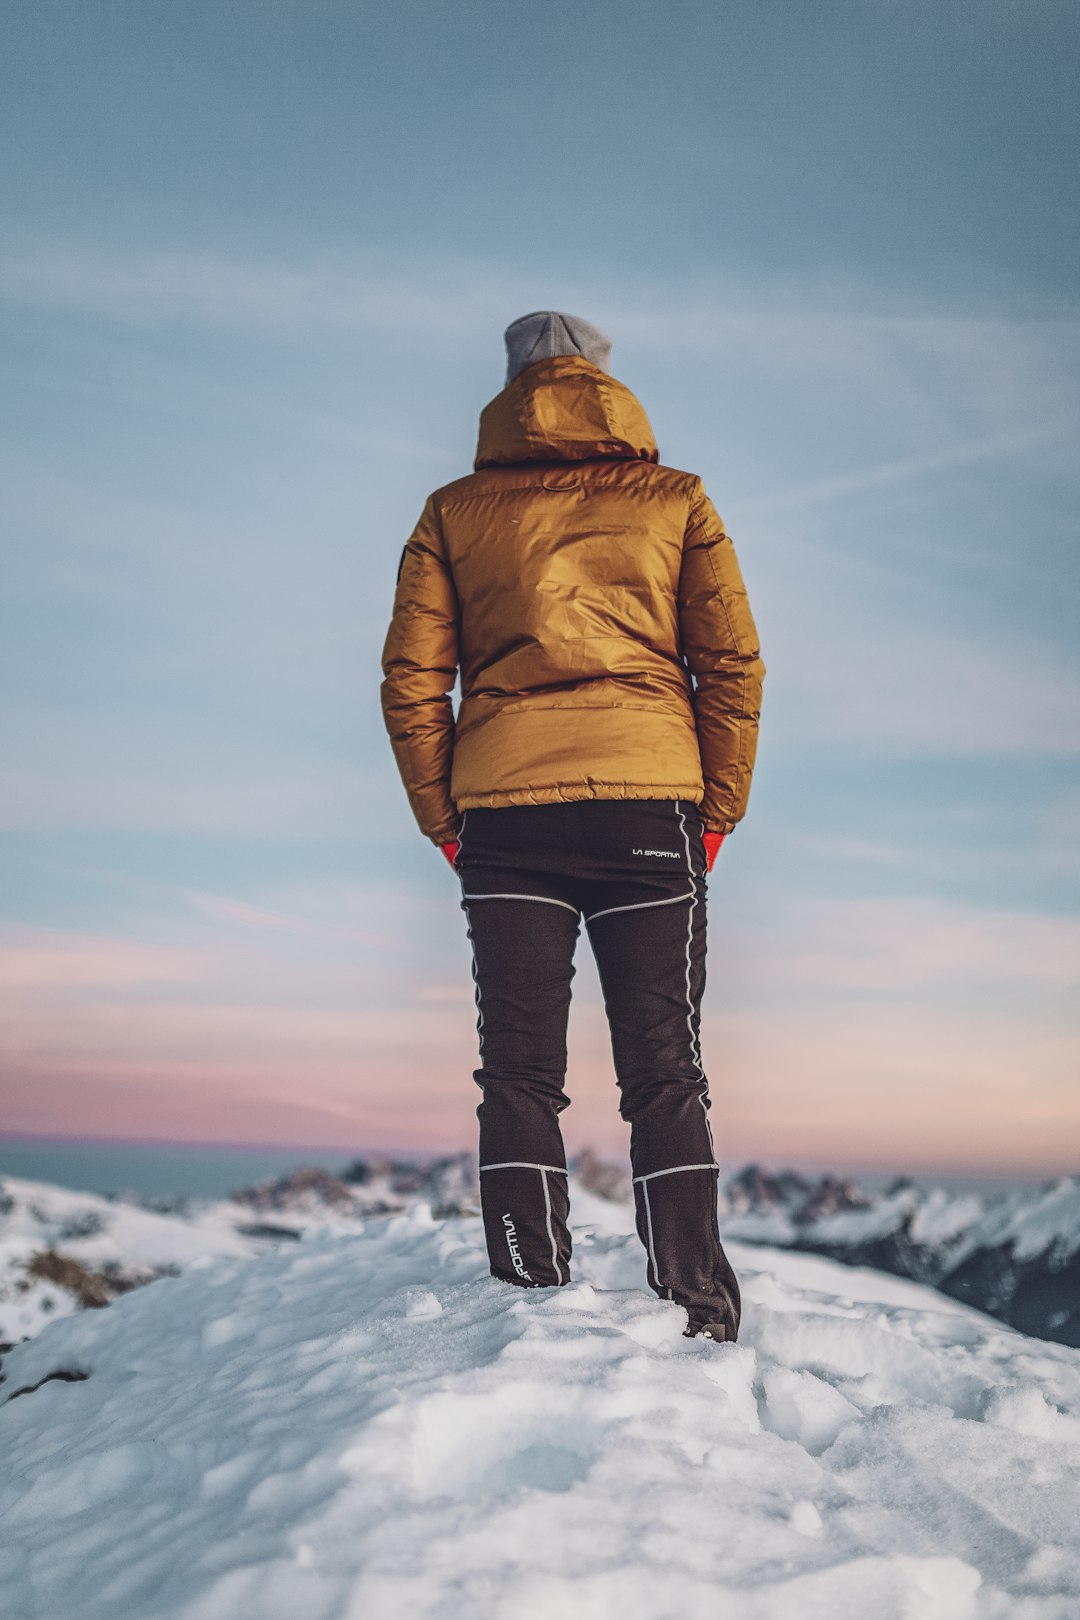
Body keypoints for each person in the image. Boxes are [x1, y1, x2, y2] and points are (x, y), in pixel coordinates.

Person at [380, 311, 764, 1342]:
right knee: (664, 1067)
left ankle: (526, 1288)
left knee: (517, 1069)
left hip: (504, 814)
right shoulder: (676, 501)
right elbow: (729, 664)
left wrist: (444, 819)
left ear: (508, 390)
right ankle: (698, 1308)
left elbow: (413, 681)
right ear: (606, 381)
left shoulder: (454, 511)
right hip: (651, 804)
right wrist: (715, 809)